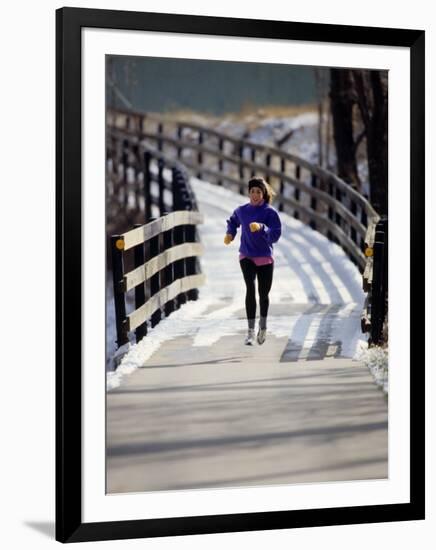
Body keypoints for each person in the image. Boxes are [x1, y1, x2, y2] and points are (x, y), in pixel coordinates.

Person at [224, 177, 282, 345]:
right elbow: (233, 221)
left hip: (265, 258)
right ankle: (249, 331)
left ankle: (262, 327)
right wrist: (230, 234)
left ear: (263, 193)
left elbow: (276, 234)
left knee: (263, 295)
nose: (255, 195)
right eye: (252, 192)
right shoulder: (242, 211)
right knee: (250, 288)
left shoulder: (270, 213)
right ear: (248, 193)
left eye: (258, 191)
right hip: (247, 255)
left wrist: (262, 228)